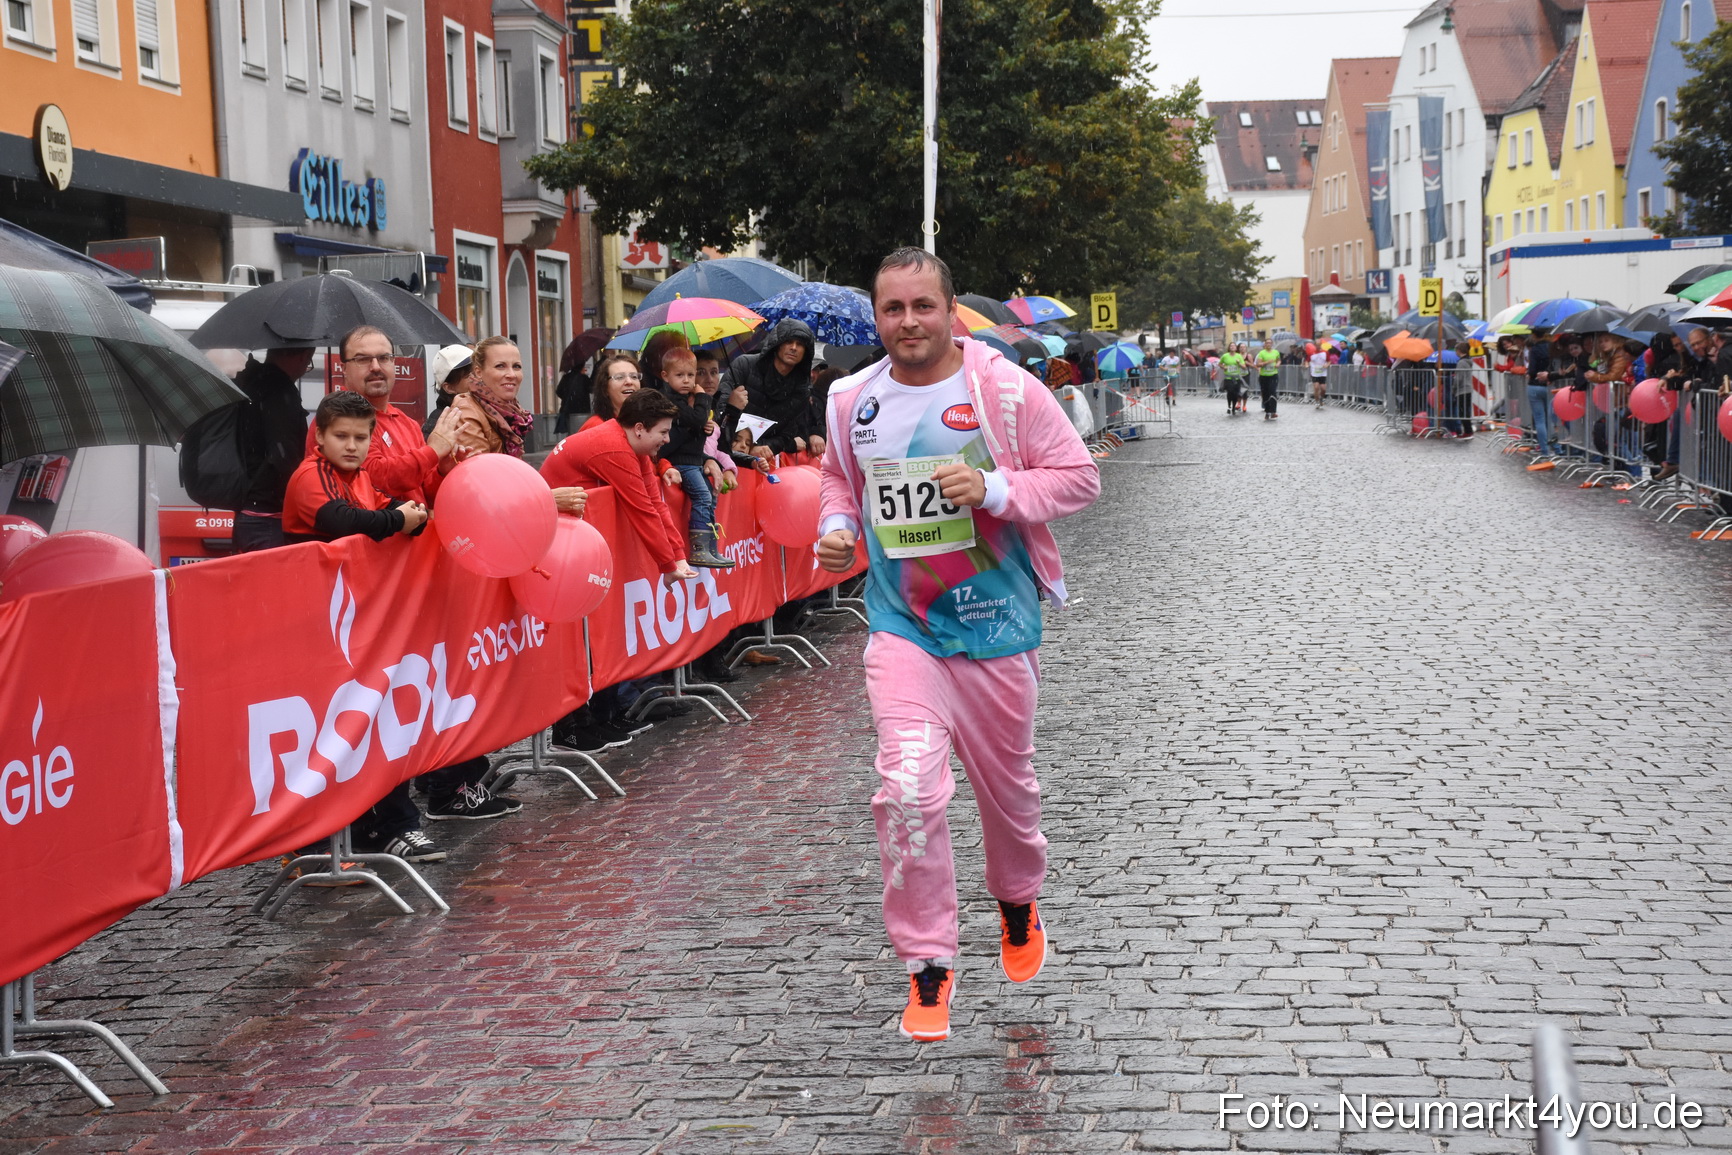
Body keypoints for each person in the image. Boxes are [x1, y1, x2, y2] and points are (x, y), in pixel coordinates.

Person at [814, 247, 1100, 1043]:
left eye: (922, 306)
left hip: (997, 627)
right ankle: (928, 962)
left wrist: (995, 488)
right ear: (877, 317)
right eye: (892, 308)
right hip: (903, 628)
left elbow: (1079, 477)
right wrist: (836, 528)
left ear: (949, 312)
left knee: (1009, 797)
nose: (908, 322)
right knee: (906, 788)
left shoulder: (1004, 390)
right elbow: (839, 478)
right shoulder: (850, 400)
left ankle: (1017, 898)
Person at [542, 390, 700, 751]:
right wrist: (668, 563)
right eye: (663, 432)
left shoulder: (630, 444)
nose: (668, 440)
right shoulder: (614, 448)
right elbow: (642, 509)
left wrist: (676, 557)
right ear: (640, 428)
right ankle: (572, 727)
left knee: (601, 631)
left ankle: (604, 714)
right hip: (563, 544)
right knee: (578, 638)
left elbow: (655, 502)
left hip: (578, 540)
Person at [283, 391, 428, 546]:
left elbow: (389, 505)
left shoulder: (360, 475)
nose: (351, 446)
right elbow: (341, 522)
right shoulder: (311, 473)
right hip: (311, 562)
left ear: (371, 439)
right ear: (320, 436)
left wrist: (417, 515)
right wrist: (400, 519)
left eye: (360, 438)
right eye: (341, 436)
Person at [230, 346, 315, 553]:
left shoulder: (250, 382)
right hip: (270, 517)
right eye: (308, 362)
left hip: (248, 511)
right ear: (303, 356)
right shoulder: (279, 390)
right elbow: (284, 456)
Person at [656, 346, 734, 568]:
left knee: (710, 499)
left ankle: (711, 547)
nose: (687, 380)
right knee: (702, 497)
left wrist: (704, 428)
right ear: (665, 376)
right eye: (680, 375)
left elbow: (696, 424)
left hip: (694, 461)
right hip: (683, 463)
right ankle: (699, 548)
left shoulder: (683, 399)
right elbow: (696, 419)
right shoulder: (671, 400)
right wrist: (702, 397)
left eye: (690, 375)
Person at [722, 318, 816, 458]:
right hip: (725, 452)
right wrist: (741, 443)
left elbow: (787, 435)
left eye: (800, 344)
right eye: (788, 342)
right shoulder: (744, 365)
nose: (794, 347)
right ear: (777, 344)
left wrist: (758, 446)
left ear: (806, 352)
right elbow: (720, 410)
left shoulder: (802, 390)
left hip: (761, 460)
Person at [422, 344, 474, 438]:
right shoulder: (439, 426)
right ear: (449, 388)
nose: (479, 379)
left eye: (479, 371)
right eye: (469, 376)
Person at [583, 352, 642, 432]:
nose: (629, 381)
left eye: (634, 376)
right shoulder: (595, 427)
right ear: (605, 388)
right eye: (620, 377)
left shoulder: (648, 421)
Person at [1254, 337, 1281, 419]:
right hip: (1264, 376)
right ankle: (1267, 411)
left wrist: (1278, 364)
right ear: (1265, 344)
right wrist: (1266, 362)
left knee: (1272, 392)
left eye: (1270, 343)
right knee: (1265, 393)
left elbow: (1279, 360)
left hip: (1273, 375)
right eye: (1267, 343)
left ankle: (1273, 412)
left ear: (1272, 344)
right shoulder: (1261, 353)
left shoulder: (1276, 352)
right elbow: (1258, 364)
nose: (1268, 344)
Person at [1219, 345, 1248, 416]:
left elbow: (1244, 367)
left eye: (1234, 346)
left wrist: (1239, 363)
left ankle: (1233, 408)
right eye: (1231, 346)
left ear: (1236, 348)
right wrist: (1224, 367)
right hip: (1228, 378)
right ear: (1229, 348)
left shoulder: (1239, 356)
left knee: (1235, 394)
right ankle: (1229, 406)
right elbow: (1220, 364)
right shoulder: (1225, 356)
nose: (1232, 347)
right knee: (1230, 392)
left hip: (1236, 378)